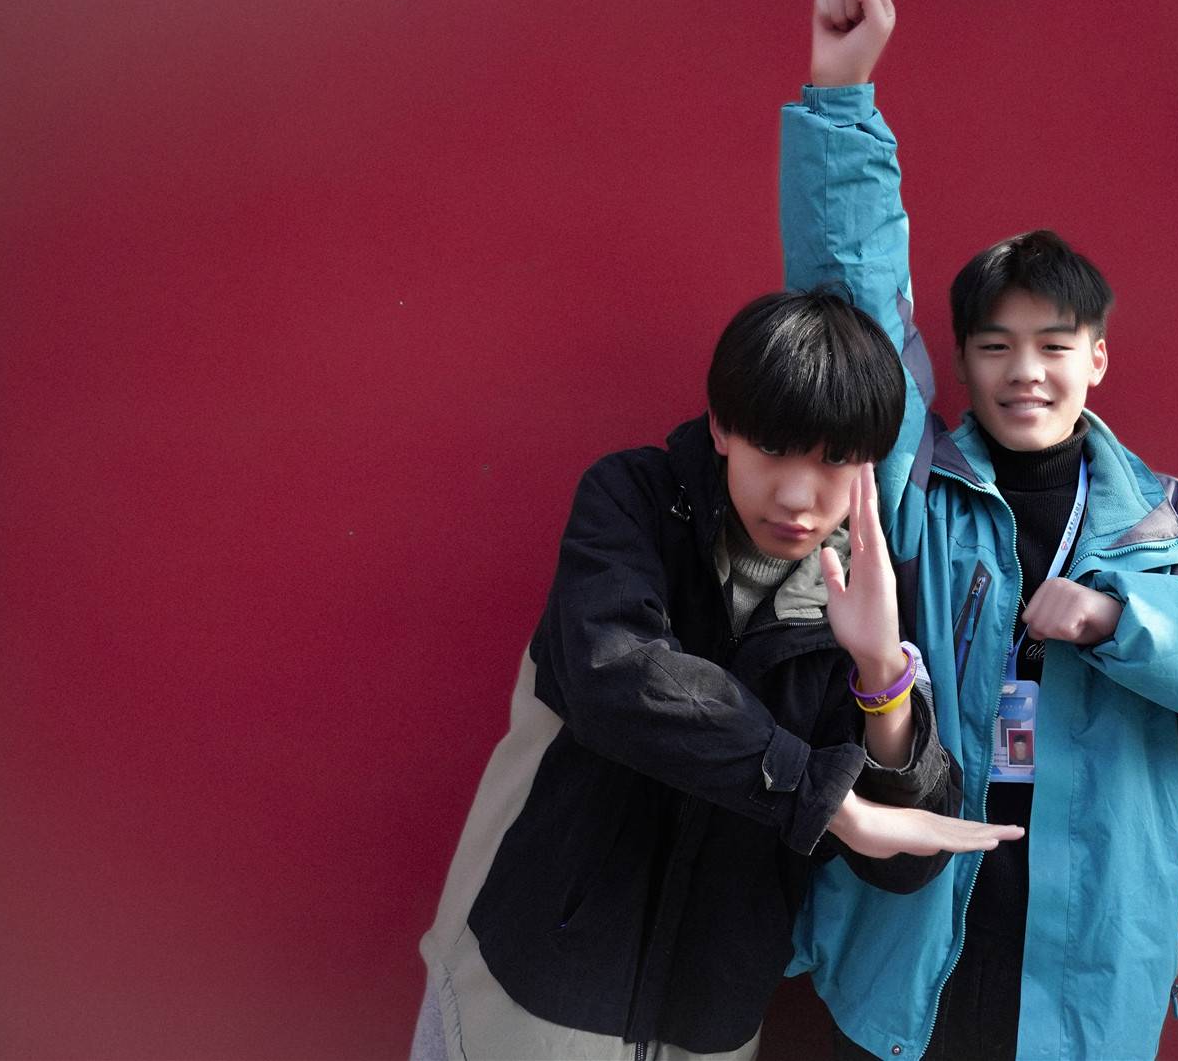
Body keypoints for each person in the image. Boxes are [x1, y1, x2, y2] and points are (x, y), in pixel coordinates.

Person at [780, 0, 1178, 1060]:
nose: (1024, 372)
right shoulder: (915, 486)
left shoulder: (1170, 525)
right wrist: (842, 98)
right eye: (994, 347)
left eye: (1053, 346)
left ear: (1098, 359)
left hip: (1084, 975)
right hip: (914, 948)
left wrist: (1127, 620)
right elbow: (855, 309)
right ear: (960, 361)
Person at [410, 283, 1022, 1053]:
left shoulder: (864, 593)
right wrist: (825, 799)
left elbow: (902, 863)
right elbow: (620, 678)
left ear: (868, 465)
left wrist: (879, 670)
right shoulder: (631, 501)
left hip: (710, 1019)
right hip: (528, 977)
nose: (798, 495)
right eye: (773, 447)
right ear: (722, 426)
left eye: (834, 460)